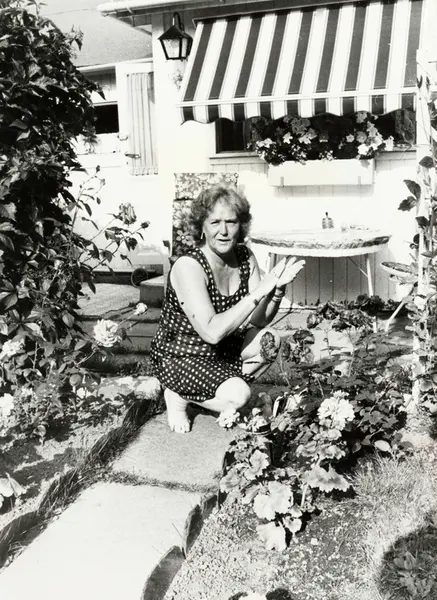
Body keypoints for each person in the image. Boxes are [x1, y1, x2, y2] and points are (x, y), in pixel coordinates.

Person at [150, 184, 305, 433]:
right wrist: (259, 291)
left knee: (270, 340)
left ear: (240, 226)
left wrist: (277, 291)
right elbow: (212, 333)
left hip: (222, 350)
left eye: (231, 222)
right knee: (240, 396)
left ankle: (219, 392)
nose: (223, 231)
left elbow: (258, 320)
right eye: (215, 222)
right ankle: (179, 396)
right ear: (201, 227)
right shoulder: (189, 266)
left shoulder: (244, 257)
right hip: (183, 356)